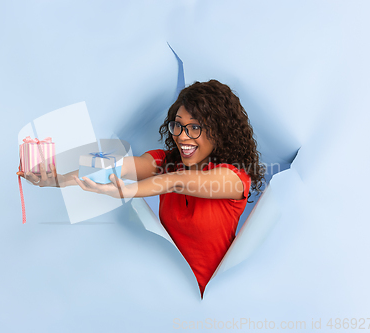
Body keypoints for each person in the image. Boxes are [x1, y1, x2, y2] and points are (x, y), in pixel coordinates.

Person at [17, 79, 265, 298]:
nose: (182, 135)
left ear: (219, 131)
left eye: (195, 127)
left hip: (216, 299)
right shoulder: (165, 162)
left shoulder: (234, 177)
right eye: (178, 125)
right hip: (167, 293)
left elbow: (177, 182)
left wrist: (126, 191)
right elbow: (119, 167)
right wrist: (57, 179)